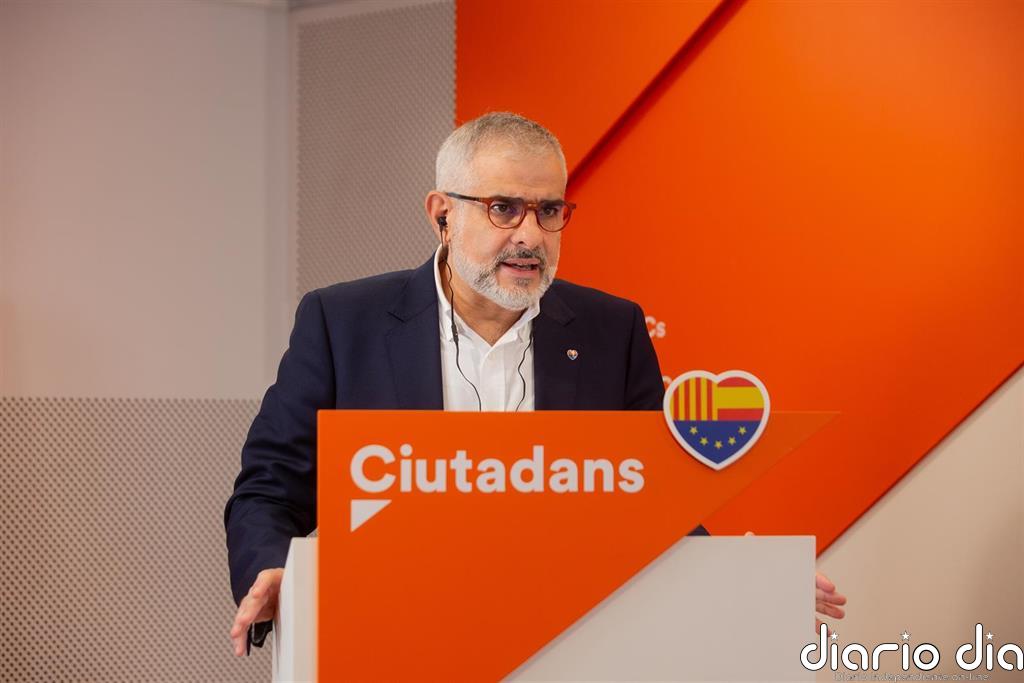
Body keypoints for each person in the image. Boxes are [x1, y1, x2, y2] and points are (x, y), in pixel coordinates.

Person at [225, 112, 846, 657]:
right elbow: (269, 488)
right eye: (504, 208)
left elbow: (655, 504)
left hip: (569, 648)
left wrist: (745, 583)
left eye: (549, 211)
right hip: (395, 641)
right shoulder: (342, 322)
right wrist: (275, 573)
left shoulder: (612, 330)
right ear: (442, 214)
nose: (530, 236)